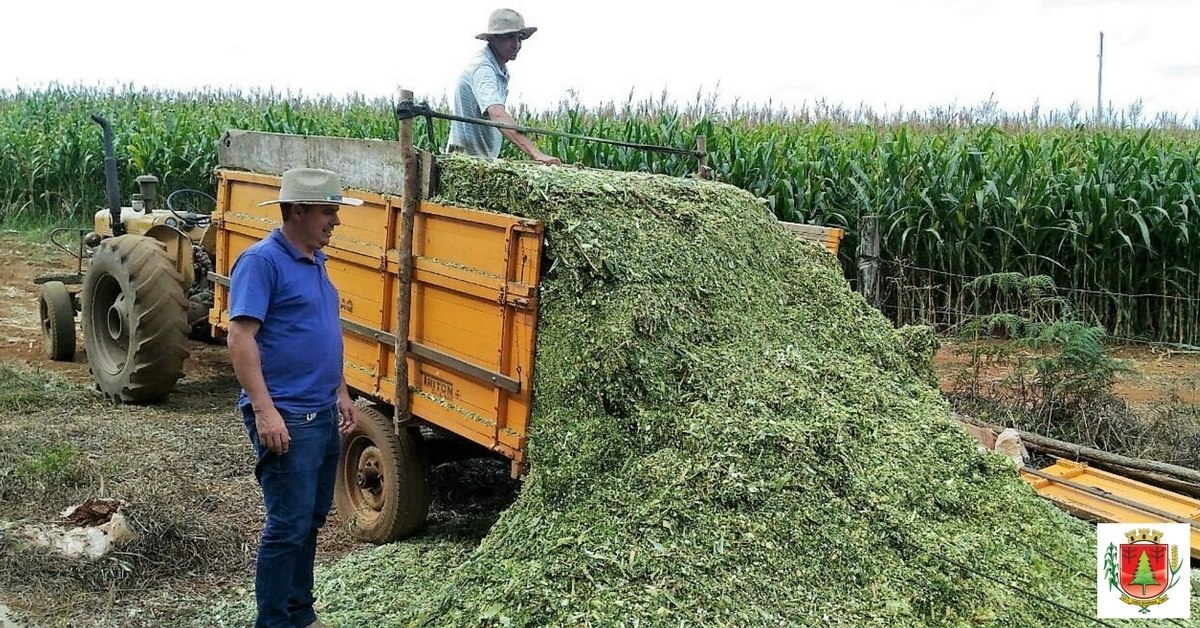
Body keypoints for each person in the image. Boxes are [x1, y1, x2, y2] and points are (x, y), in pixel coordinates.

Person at [227, 167, 361, 628]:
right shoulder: (261, 262)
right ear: (298, 211)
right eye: (328, 212)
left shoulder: (315, 259)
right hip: (287, 415)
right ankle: (275, 622)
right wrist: (265, 411)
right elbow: (240, 337)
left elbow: (320, 333)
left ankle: (300, 614)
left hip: (321, 411)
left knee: (310, 521)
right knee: (287, 525)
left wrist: (340, 391)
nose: (335, 222)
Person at [447, 8, 561, 165]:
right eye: (509, 38)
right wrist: (536, 154)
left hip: (482, 160)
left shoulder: (500, 70)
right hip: (466, 160)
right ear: (492, 39)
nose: (516, 45)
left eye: (519, 38)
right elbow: (497, 114)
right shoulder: (483, 69)